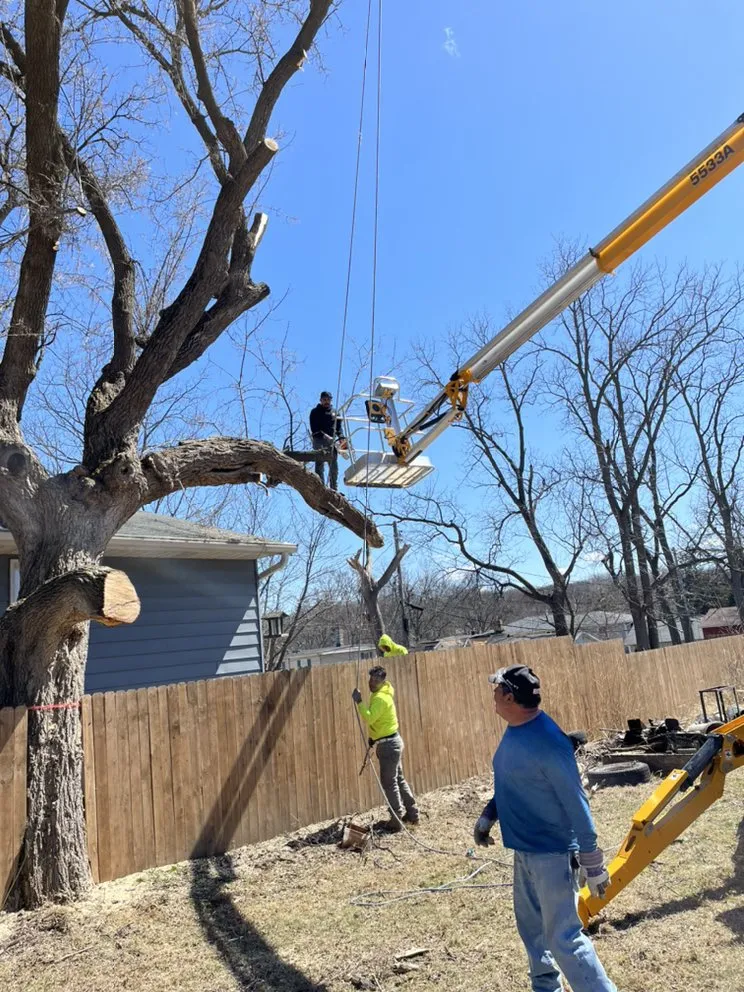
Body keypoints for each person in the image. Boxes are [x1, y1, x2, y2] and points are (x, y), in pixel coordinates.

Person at [473, 664, 617, 992]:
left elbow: (576, 803)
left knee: (563, 937)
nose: (492, 696)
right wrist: (489, 815)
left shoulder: (549, 741)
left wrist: (593, 863)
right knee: (533, 931)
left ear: (509, 697)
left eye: (496, 690)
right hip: (524, 850)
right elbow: (515, 780)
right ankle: (545, 987)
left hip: (551, 854)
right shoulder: (517, 728)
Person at [352, 665, 419, 831]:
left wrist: (359, 701)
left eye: (376, 680)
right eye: (371, 679)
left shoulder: (381, 698)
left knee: (389, 783)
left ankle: (396, 820)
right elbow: (380, 722)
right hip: (392, 741)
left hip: (388, 746)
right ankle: (412, 814)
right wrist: (373, 737)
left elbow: (370, 718)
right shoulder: (382, 694)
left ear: (383, 682)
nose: (372, 683)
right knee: (398, 779)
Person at [309, 390, 345, 491]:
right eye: (324, 400)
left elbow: (338, 428)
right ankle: (320, 487)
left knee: (334, 466)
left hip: (331, 442)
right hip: (319, 440)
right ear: (320, 400)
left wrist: (342, 437)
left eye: (328, 400)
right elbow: (314, 429)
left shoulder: (334, 412)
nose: (326, 402)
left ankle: (334, 488)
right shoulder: (315, 412)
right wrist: (325, 436)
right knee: (320, 464)